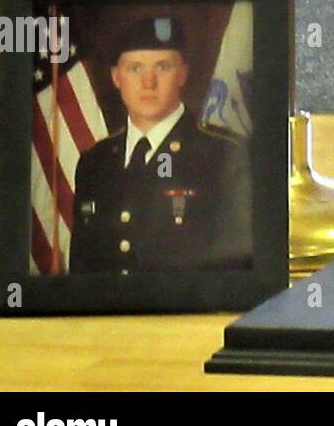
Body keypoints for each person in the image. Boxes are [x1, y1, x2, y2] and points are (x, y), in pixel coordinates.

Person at [68, 15, 251, 274]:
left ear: (182, 74)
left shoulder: (225, 155)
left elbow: (236, 267)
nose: (148, 82)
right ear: (116, 77)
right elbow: (81, 271)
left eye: (162, 67)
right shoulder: (95, 162)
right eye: (135, 68)